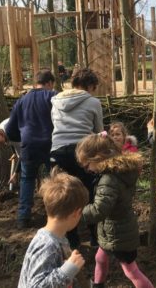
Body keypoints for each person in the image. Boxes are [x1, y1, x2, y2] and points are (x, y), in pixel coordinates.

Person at [76, 133, 153, 288]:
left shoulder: (109, 180)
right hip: (112, 230)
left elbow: (99, 209)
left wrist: (78, 213)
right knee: (100, 258)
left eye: (87, 165)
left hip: (119, 234)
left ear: (97, 158)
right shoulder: (118, 172)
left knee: (131, 271)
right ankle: (98, 285)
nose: (88, 170)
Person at [50, 67, 104, 248]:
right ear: (89, 85)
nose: (93, 91)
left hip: (57, 151)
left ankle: (72, 242)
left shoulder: (56, 101)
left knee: (65, 196)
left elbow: (55, 125)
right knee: (89, 193)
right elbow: (98, 131)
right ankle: (96, 238)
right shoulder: (93, 102)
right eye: (94, 87)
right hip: (81, 151)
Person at [5, 69, 57, 229]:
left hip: (28, 146)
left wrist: (23, 138)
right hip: (50, 144)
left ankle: (23, 217)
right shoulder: (53, 96)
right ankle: (55, 214)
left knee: (27, 180)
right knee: (54, 180)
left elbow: (10, 129)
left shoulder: (22, 100)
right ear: (49, 83)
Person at [18, 170, 88, 288]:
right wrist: (68, 270)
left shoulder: (59, 239)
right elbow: (36, 285)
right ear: (76, 213)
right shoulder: (47, 245)